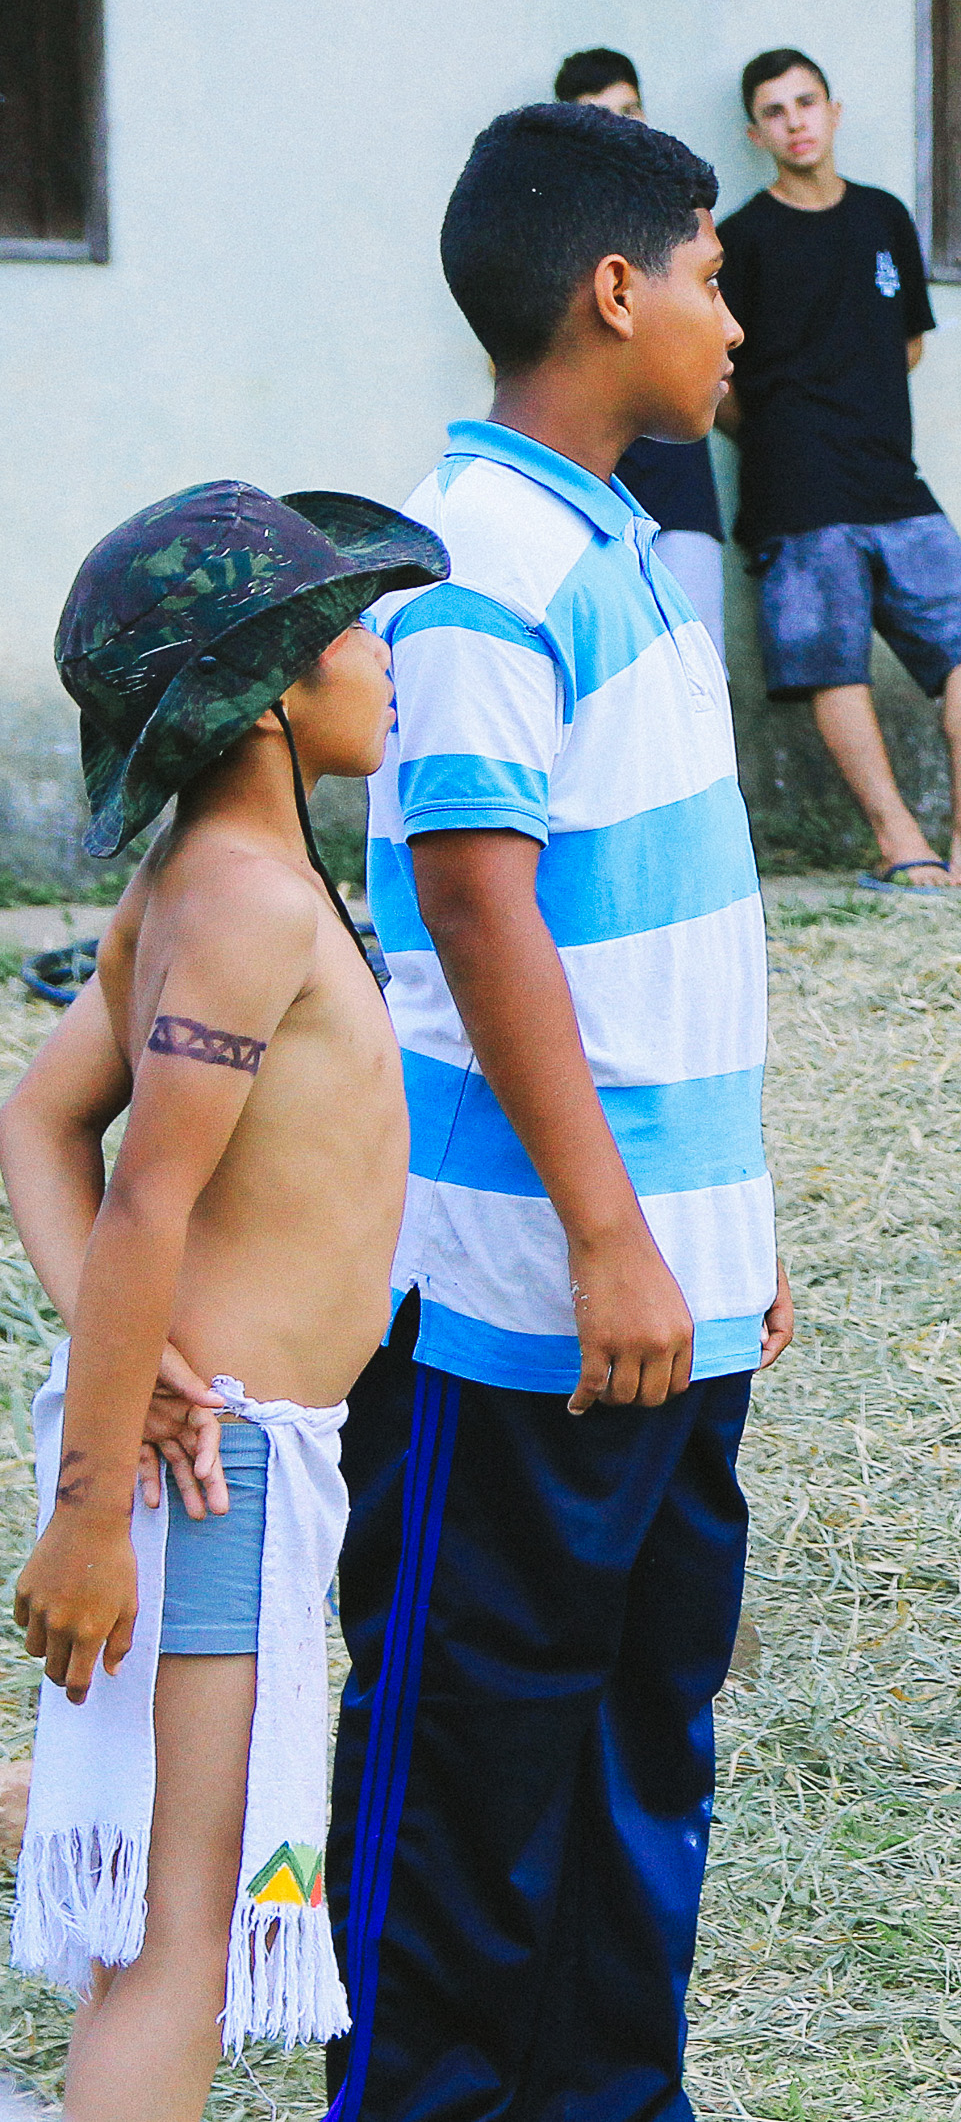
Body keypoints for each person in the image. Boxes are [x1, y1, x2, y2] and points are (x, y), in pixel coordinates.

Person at [329, 100, 794, 2119]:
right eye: (708, 272)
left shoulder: (612, 534)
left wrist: (718, 1247)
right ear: (614, 289)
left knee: (639, 1743)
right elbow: (471, 891)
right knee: (468, 1778)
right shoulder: (477, 559)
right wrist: (608, 1231)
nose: (731, 321)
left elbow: (657, 949)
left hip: (664, 1291)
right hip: (524, 1302)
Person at [6, 482, 445, 2116]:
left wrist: (148, 1373)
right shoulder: (248, 904)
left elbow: (33, 1127)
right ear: (265, 692)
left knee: (166, 1878)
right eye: (350, 631)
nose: (383, 656)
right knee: (176, 1934)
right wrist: (87, 1505)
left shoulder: (204, 880)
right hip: (208, 1483)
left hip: (205, 1444)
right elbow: (139, 1192)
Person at [721, 47, 961, 892]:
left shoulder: (881, 218)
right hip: (796, 489)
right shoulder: (741, 240)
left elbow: (903, 342)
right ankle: (899, 841)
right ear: (755, 131)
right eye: (775, 109)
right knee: (833, 663)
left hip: (887, 476)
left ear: (834, 111)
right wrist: (779, 437)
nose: (795, 120)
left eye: (807, 101)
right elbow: (717, 383)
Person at [556, 49, 734, 637]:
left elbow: (714, 336)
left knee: (697, 663)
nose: (622, 128)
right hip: (585, 476)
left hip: (679, 481)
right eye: (600, 116)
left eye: (630, 110)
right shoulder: (550, 237)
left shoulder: (687, 219)